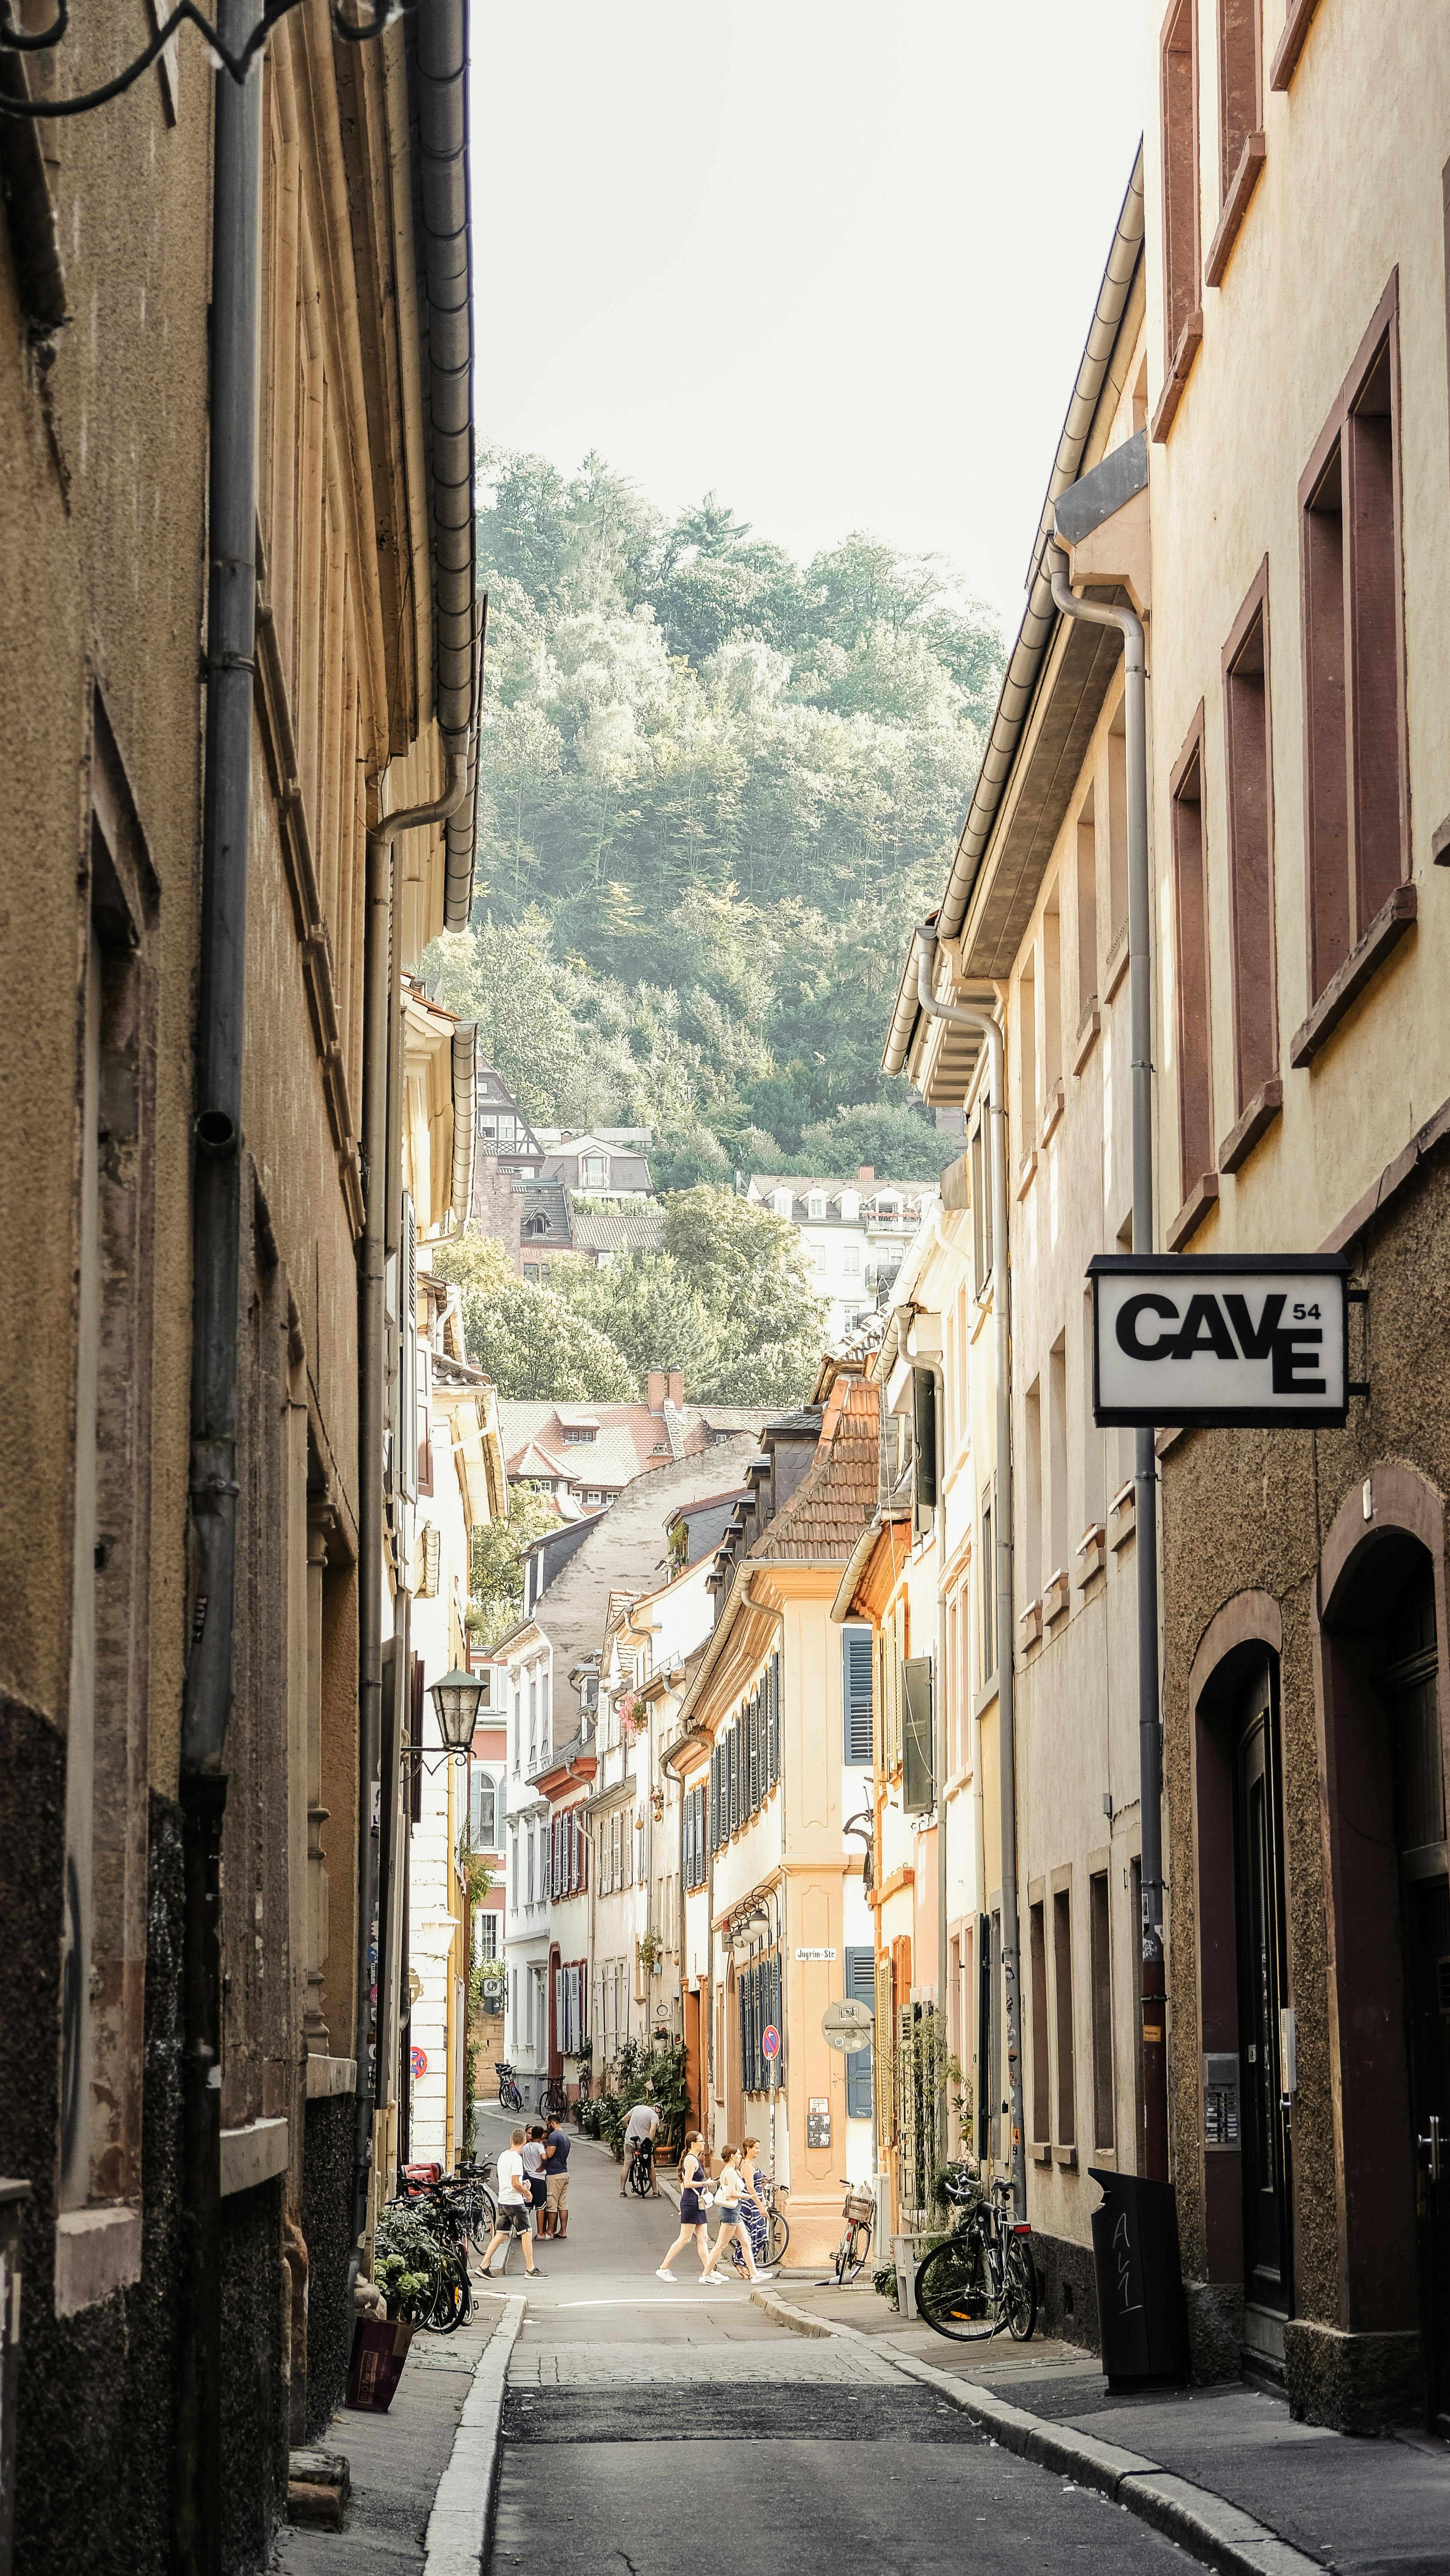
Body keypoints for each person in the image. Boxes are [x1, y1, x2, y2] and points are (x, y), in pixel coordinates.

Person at [699, 2145, 772, 2285]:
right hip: (730, 2212)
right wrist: (746, 2196)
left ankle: (754, 2273)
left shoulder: (729, 2171)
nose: (740, 2156)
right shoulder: (731, 2173)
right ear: (732, 2157)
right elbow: (732, 2193)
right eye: (738, 2154)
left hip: (734, 2211)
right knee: (721, 2245)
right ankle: (706, 2274)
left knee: (746, 2241)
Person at [476, 2126, 541, 2279]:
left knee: (501, 2234)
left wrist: (522, 2183)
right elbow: (514, 2183)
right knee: (527, 2232)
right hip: (515, 2202)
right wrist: (527, 2192)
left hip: (503, 2200)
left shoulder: (503, 2156)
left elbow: (508, 2179)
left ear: (511, 2140)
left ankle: (483, 2266)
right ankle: (530, 2269)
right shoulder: (517, 2159)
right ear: (525, 2142)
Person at [656, 2132, 712, 2280]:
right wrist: (705, 2183)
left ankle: (708, 2272)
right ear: (693, 2144)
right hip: (692, 2202)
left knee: (703, 2238)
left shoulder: (693, 2159)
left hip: (694, 2202)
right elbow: (687, 2184)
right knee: (685, 2239)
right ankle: (664, 2268)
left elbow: (682, 2183)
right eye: (701, 2141)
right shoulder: (691, 2160)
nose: (704, 2144)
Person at [730, 2135, 770, 2276]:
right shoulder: (747, 2165)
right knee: (751, 2235)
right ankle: (745, 2264)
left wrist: (764, 2180)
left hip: (755, 2202)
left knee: (753, 2235)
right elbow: (750, 2187)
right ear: (749, 2149)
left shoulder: (752, 2164)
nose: (759, 2151)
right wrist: (760, 2206)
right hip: (750, 2205)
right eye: (756, 2148)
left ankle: (742, 2263)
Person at [619, 2098, 660, 2196]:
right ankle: (655, 2191)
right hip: (642, 2144)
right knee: (650, 2166)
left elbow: (624, 2120)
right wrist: (649, 2142)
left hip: (630, 2140)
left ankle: (622, 2190)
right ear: (658, 2110)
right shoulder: (654, 2116)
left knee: (627, 2164)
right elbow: (653, 2129)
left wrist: (627, 2126)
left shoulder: (636, 2108)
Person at [541, 2112, 571, 2239]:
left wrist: (542, 2149)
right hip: (564, 2172)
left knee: (552, 2204)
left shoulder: (554, 2136)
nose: (547, 2126)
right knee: (562, 2204)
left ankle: (550, 2232)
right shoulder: (565, 2136)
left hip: (554, 2173)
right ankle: (563, 2231)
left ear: (553, 2123)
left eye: (548, 2124)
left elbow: (549, 2155)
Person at [521, 2123, 548, 2230]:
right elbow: (544, 2157)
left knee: (527, 2206)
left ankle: (524, 2230)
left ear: (532, 2135)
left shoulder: (526, 2147)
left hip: (527, 2178)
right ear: (541, 2136)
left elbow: (519, 2155)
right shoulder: (539, 2146)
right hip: (539, 2178)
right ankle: (541, 2232)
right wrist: (542, 2166)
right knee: (540, 2206)